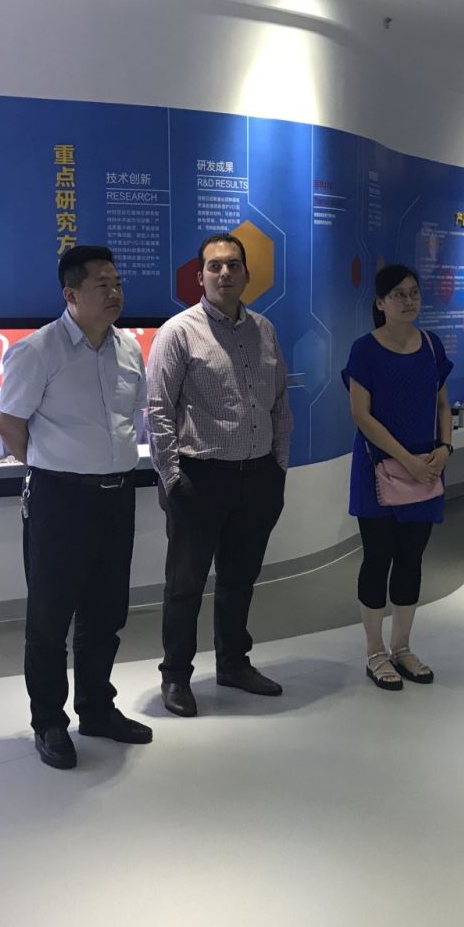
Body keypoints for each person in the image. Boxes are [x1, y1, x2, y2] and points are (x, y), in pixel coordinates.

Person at [0, 245, 153, 770]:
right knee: (49, 619)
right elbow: (10, 426)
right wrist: (52, 468)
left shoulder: (129, 347)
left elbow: (131, 417)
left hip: (117, 495)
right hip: (59, 499)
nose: (115, 293)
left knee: (107, 613)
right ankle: (49, 721)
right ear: (71, 293)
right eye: (101, 284)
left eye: (117, 282)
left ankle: (97, 709)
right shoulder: (38, 350)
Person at [146, 232, 292, 717]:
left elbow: (279, 402)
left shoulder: (265, 330)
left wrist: (279, 466)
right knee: (185, 585)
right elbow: (157, 410)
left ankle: (233, 663)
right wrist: (172, 478)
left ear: (247, 274)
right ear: (200, 276)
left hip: (258, 477)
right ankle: (175, 675)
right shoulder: (178, 333)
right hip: (199, 477)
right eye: (214, 266)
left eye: (233, 265)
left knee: (239, 579)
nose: (224, 273)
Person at [342, 265, 454, 690]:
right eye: (398, 295)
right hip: (379, 470)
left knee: (411, 559)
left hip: (426, 469)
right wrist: (407, 459)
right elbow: (361, 415)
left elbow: (442, 404)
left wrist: (445, 448)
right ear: (380, 303)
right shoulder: (364, 350)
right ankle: (375, 652)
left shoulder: (431, 345)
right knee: (377, 558)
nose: (408, 301)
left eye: (414, 293)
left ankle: (402, 646)